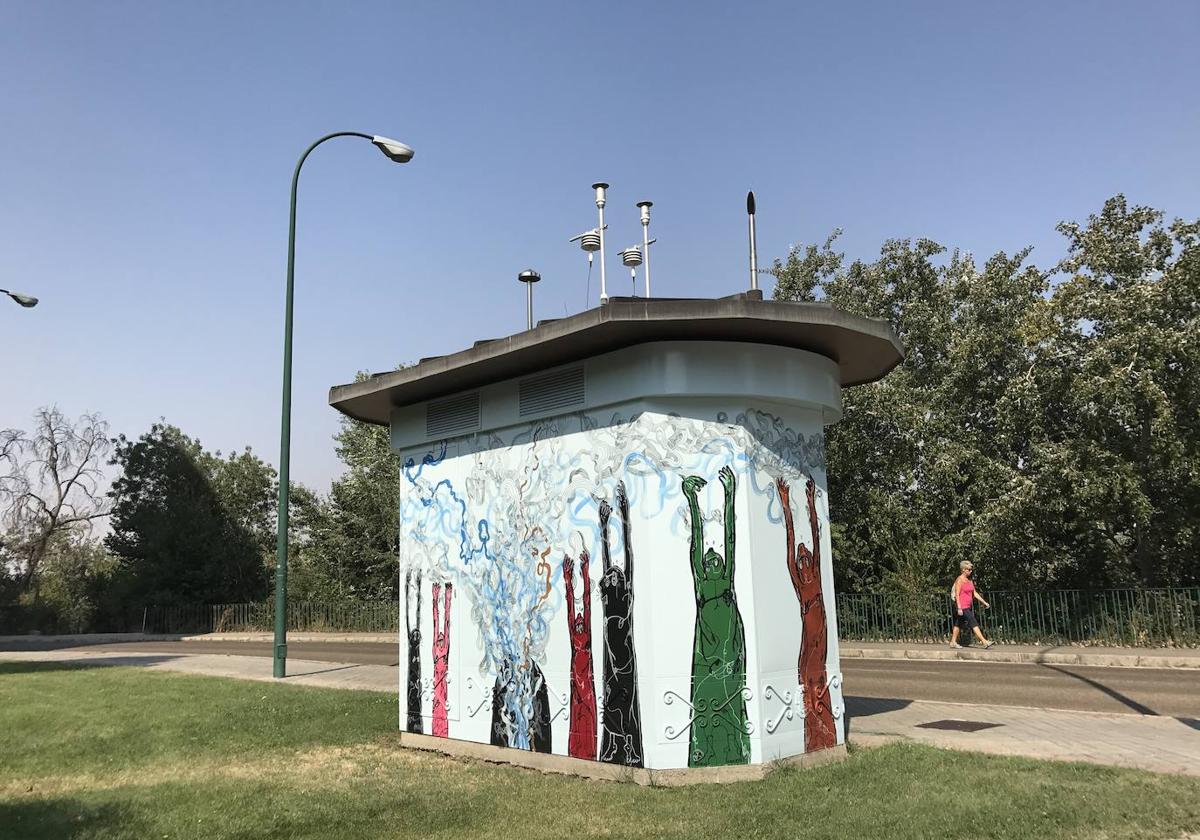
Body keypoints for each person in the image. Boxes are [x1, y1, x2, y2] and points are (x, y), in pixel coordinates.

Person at [950, 561, 995, 649]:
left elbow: (975, 593)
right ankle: (984, 641)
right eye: (969, 569)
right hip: (962, 606)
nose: (971, 571)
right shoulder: (959, 580)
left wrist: (984, 602)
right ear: (963, 570)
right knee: (972, 621)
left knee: (958, 623)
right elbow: (957, 594)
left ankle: (953, 642)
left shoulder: (969, 581)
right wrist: (959, 607)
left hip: (967, 606)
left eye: (971, 569)